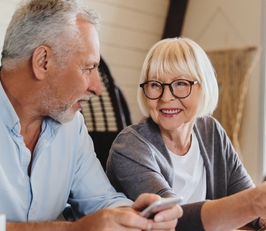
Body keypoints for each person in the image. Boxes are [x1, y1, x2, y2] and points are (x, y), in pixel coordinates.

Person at [0, 0, 182, 230]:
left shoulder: (71, 126)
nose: (97, 87)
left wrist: (133, 215)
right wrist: (75, 229)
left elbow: (101, 200)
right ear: (42, 62)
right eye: (88, 68)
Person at [106, 37, 266, 231]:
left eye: (180, 84)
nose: (166, 97)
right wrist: (253, 204)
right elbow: (170, 219)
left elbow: (243, 195)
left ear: (203, 87)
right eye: (155, 85)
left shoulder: (211, 132)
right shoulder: (129, 147)